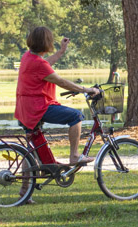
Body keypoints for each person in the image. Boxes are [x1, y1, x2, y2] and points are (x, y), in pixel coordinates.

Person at [14, 27, 99, 166]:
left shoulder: (28, 57)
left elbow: (45, 64)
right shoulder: (39, 64)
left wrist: (61, 51)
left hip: (25, 108)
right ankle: (74, 156)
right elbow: (62, 82)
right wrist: (87, 89)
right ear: (46, 42)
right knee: (76, 116)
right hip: (38, 108)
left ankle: (26, 180)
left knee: (32, 149)